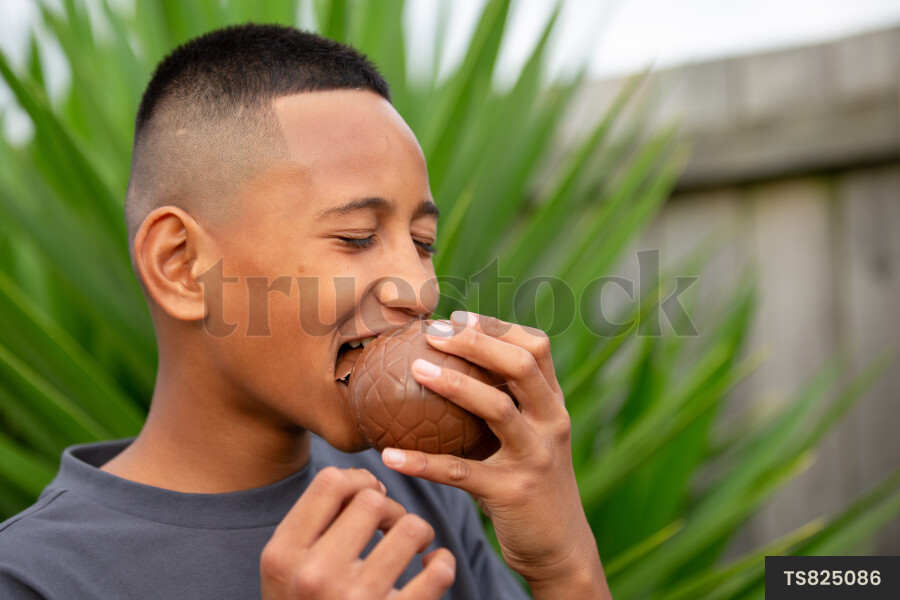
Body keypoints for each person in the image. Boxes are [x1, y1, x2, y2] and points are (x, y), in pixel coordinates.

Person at [0, 23, 611, 599]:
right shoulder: (36, 578)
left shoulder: (421, 496)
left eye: (422, 243)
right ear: (182, 266)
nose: (420, 291)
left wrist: (562, 565)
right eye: (355, 236)